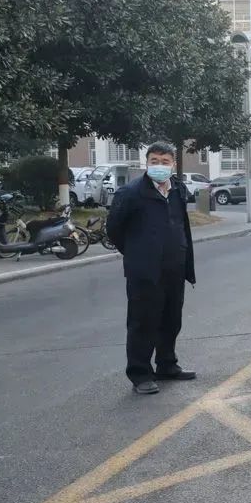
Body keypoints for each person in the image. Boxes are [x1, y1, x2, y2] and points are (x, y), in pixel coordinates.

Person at [106, 142, 196, 395]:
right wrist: (137, 253)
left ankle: (167, 365)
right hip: (145, 272)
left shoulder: (177, 189)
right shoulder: (131, 193)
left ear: (173, 164)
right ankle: (140, 373)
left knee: (171, 320)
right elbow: (114, 230)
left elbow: (181, 225)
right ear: (146, 163)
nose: (159, 166)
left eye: (165, 161)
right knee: (143, 323)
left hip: (174, 268)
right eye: (154, 161)